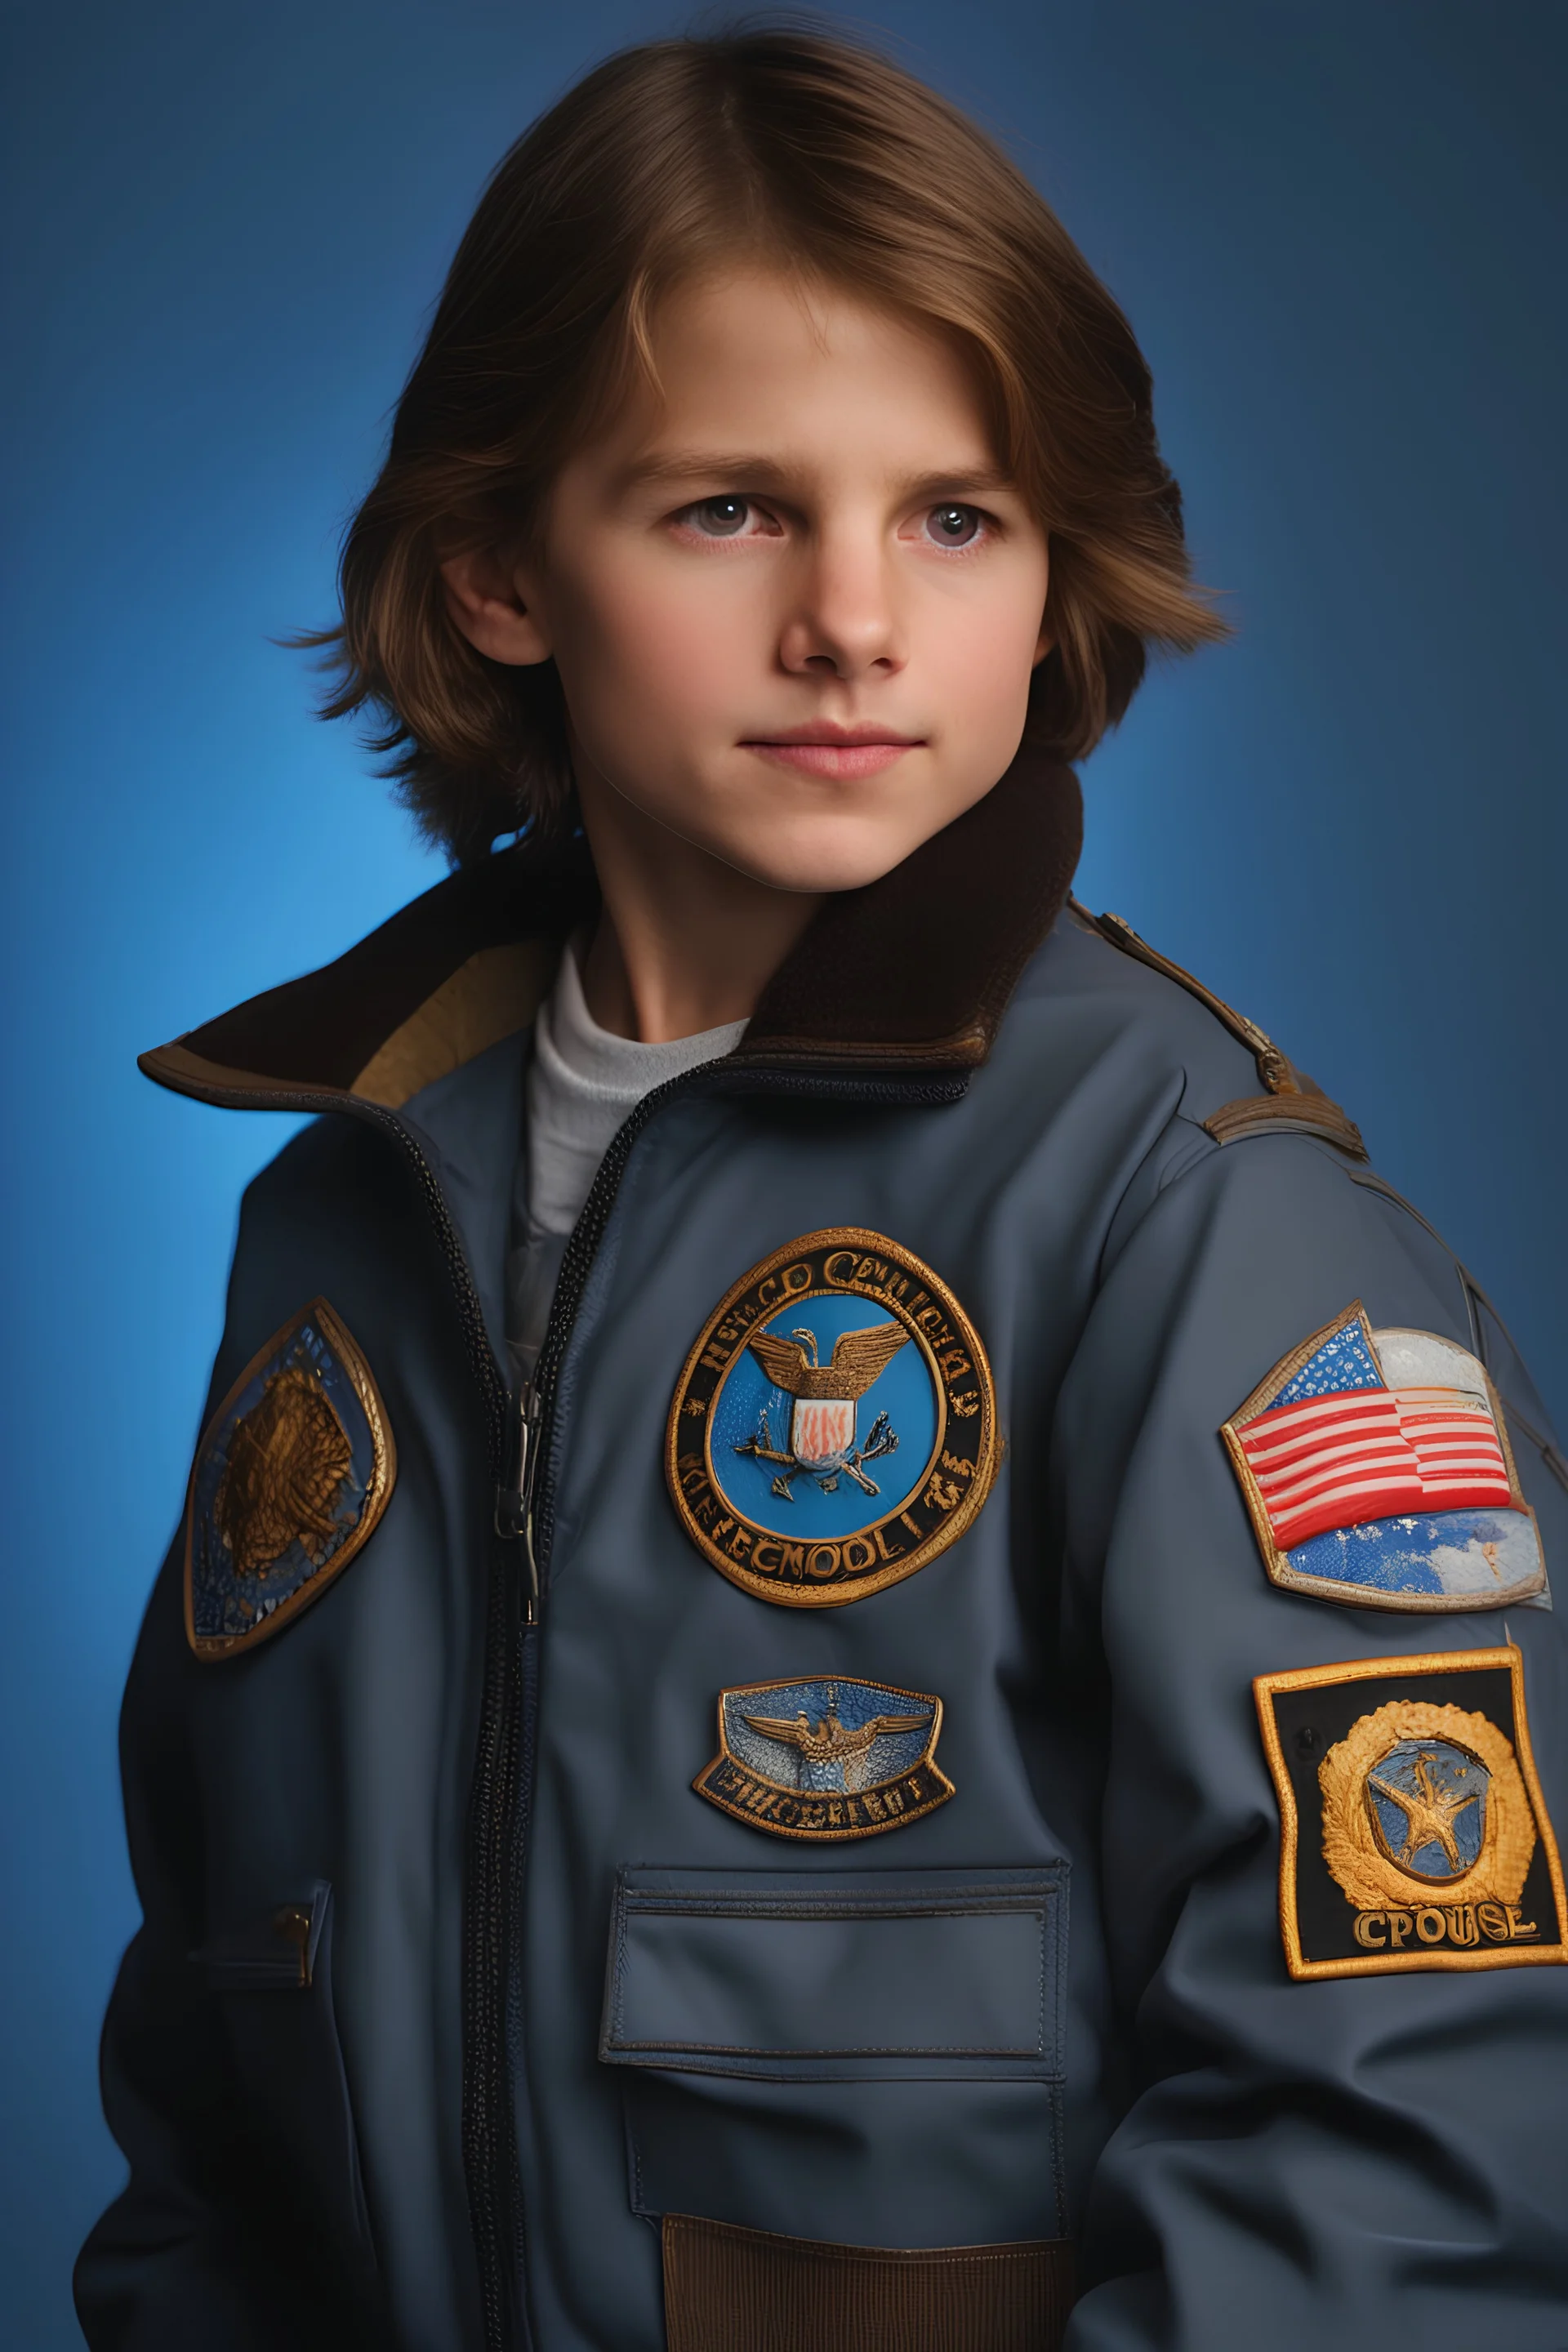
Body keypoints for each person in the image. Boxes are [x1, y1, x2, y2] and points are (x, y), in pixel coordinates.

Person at [77, 28, 1568, 2352]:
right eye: (729, 509)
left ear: (1056, 562)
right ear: (495, 569)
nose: (855, 621)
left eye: (952, 515)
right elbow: (204, 2080)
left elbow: (1412, 2126)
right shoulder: (340, 1224)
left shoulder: (1195, 1222)